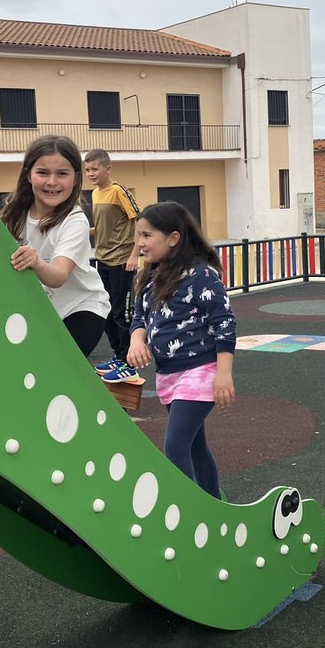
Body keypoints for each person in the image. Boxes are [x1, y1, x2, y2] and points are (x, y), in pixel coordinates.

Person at [125, 202, 235, 499]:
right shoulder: (149, 276)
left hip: (200, 371)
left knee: (175, 445)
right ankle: (213, 506)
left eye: (147, 236)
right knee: (195, 445)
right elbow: (139, 318)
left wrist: (223, 374)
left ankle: (188, 510)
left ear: (173, 238)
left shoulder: (201, 275)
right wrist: (137, 341)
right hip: (169, 374)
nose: (140, 243)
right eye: (139, 236)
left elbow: (224, 323)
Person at [2, 136, 110, 357]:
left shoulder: (75, 221)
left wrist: (37, 262)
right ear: (28, 175)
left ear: (75, 178)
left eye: (62, 173)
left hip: (82, 307)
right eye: (42, 172)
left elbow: (58, 276)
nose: (52, 181)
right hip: (44, 309)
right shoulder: (14, 215)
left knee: (58, 369)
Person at [83, 149, 141, 375]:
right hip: (103, 259)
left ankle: (129, 362)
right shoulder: (97, 193)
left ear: (108, 169)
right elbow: (103, 227)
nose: (90, 173)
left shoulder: (118, 191)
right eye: (87, 169)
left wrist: (134, 255)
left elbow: (141, 221)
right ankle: (119, 356)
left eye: (94, 169)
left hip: (121, 261)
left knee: (121, 314)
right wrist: (80, 232)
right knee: (106, 312)